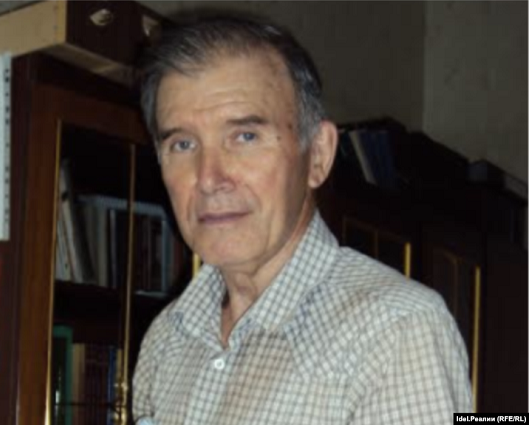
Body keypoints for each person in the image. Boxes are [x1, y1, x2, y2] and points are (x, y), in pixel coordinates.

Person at [133, 16, 472, 424]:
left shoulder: (396, 332)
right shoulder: (165, 339)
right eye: (183, 144)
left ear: (318, 156)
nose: (208, 178)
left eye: (245, 137)